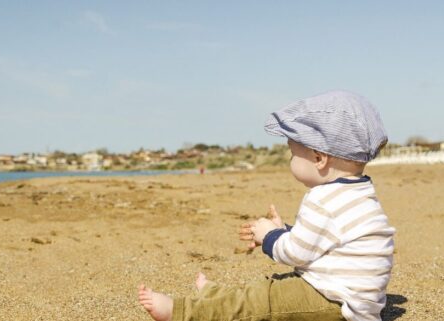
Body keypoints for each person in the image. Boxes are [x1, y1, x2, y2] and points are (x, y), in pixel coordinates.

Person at [138, 90, 395, 321]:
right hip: (356, 301)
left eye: (293, 152)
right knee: (271, 288)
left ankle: (182, 312)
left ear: (319, 158)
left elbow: (295, 254)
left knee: (262, 301)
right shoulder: (360, 191)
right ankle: (216, 294)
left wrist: (268, 236)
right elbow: (325, 241)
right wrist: (284, 230)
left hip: (334, 302)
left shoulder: (322, 198)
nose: (291, 158)